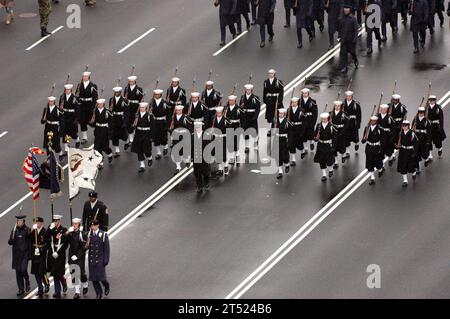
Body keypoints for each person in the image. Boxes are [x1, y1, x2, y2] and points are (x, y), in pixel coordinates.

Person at [8, 215, 31, 297]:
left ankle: (27, 281)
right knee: (18, 272)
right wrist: (12, 236)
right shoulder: (14, 230)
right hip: (17, 255)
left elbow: (31, 237)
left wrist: (32, 230)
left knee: (23, 269)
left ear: (23, 222)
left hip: (25, 254)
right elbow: (10, 242)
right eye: (18, 221)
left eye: (20, 221)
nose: (19, 222)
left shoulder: (27, 230)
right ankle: (21, 289)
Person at [86, 220, 110, 299]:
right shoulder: (90, 234)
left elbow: (106, 249)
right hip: (92, 260)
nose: (93, 227)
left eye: (94, 226)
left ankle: (106, 285)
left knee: (101, 277)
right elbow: (87, 247)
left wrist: (106, 260)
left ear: (98, 226)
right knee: (94, 279)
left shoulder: (103, 235)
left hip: (100, 259)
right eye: (92, 226)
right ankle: (98, 293)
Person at [46, 214, 68, 299]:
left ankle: (63, 281)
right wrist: (49, 229)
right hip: (52, 252)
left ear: (59, 221)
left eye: (57, 221)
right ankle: (57, 291)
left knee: (59, 272)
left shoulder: (63, 230)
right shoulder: (51, 228)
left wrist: (58, 252)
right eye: (54, 221)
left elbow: (65, 244)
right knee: (54, 272)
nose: (55, 222)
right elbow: (45, 237)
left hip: (60, 253)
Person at [66, 218, 88, 299]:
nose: (74, 225)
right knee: (74, 274)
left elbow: (85, 247)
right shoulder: (70, 233)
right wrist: (67, 232)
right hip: (71, 256)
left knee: (81, 274)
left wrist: (78, 256)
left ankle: (85, 284)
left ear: (79, 224)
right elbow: (64, 241)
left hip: (80, 257)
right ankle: (77, 291)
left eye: (76, 224)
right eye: (73, 224)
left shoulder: (82, 234)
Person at [361, 116, 386, 185]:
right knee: (369, 162)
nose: (372, 122)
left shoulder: (380, 129)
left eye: (374, 121)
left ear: (376, 121)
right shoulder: (367, 128)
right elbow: (364, 137)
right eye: (371, 120)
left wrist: (381, 149)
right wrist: (363, 140)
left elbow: (383, 140)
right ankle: (372, 178)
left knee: (378, 163)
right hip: (369, 147)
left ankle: (380, 169)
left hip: (376, 147)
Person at [89, 98, 114, 167]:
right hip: (97, 130)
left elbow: (111, 123)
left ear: (103, 104)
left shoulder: (107, 112)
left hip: (105, 131)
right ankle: (100, 161)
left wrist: (110, 134)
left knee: (105, 147)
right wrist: (91, 123)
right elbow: (93, 122)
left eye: (101, 104)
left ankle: (109, 154)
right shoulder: (95, 111)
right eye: (98, 104)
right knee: (97, 147)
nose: (99, 105)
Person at [75, 71, 98, 145]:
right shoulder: (79, 85)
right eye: (83, 76)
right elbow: (76, 96)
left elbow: (95, 97)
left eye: (86, 76)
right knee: (82, 121)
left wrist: (93, 106)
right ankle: (84, 137)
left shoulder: (92, 86)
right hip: (82, 105)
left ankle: (97, 132)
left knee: (92, 121)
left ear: (88, 77)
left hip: (89, 105)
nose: (84, 77)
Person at [314, 112, 337, 181]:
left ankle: (330, 170)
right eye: (323, 119)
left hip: (328, 145)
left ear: (328, 118)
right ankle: (324, 174)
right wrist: (315, 138)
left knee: (329, 160)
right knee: (322, 160)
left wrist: (333, 146)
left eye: (325, 118)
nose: (324, 120)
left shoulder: (332, 126)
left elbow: (335, 138)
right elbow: (315, 135)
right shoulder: (319, 126)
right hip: (321, 145)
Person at [131, 102, 155, 172]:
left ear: (146, 108)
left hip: (146, 134)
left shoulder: (149, 116)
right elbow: (134, 124)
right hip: (138, 134)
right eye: (141, 107)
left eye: (143, 107)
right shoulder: (137, 115)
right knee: (139, 150)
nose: (141, 109)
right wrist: (133, 126)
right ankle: (142, 165)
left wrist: (152, 137)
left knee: (146, 150)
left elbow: (153, 127)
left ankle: (150, 158)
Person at [30, 217, 50, 298]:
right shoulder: (34, 231)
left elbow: (47, 243)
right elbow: (29, 239)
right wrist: (31, 230)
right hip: (35, 253)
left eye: (38, 223)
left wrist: (43, 250)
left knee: (42, 271)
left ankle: (46, 283)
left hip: (42, 254)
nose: (37, 224)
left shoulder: (44, 231)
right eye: (36, 223)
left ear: (41, 223)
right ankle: (40, 289)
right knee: (35, 272)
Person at [59, 83, 81, 156]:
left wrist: (76, 118)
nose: (67, 91)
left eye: (69, 90)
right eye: (66, 90)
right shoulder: (62, 97)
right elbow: (60, 107)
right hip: (65, 116)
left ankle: (77, 139)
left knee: (73, 133)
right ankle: (66, 148)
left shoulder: (75, 98)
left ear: (71, 90)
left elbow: (77, 109)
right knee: (65, 132)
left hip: (72, 117)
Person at [124, 75, 144, 150]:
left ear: (135, 81)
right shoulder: (126, 88)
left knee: (134, 123)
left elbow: (141, 100)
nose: (131, 82)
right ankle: (130, 139)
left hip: (135, 107)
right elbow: (125, 98)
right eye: (130, 81)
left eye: (132, 81)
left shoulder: (139, 89)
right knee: (128, 124)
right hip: (128, 107)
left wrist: (140, 109)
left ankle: (134, 139)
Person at [170, 105, 192, 174]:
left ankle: (187, 160)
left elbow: (190, 127)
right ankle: (178, 167)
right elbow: (173, 126)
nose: (178, 111)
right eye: (177, 110)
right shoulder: (173, 117)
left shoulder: (186, 118)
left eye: (179, 110)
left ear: (182, 111)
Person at [396, 120, 418, 187]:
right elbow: (398, 141)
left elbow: (416, 143)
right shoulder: (400, 133)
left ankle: (413, 173)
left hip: (410, 151)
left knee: (411, 165)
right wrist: (397, 146)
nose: (404, 127)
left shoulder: (412, 133)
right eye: (403, 125)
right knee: (403, 165)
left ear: (408, 126)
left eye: (405, 125)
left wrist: (414, 152)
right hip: (403, 151)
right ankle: (405, 180)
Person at [338, 4, 359, 73]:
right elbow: (340, 29)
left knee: (352, 52)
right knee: (343, 54)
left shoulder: (353, 19)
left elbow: (356, 30)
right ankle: (345, 67)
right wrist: (339, 37)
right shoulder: (341, 18)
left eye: (347, 8)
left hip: (351, 40)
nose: (346, 10)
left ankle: (355, 60)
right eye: (345, 8)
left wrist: (355, 39)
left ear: (349, 10)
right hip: (344, 40)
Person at [109, 85, 129, 157]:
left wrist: (125, 122)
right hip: (114, 118)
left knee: (123, 134)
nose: (116, 93)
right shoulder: (111, 100)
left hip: (121, 118)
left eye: (118, 92)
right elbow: (110, 111)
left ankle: (127, 141)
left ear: (120, 92)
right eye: (115, 92)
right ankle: (117, 150)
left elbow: (127, 112)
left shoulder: (124, 100)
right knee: (114, 135)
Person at [240, 83, 261, 153]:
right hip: (245, 117)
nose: (248, 91)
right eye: (247, 90)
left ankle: (255, 143)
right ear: (245, 90)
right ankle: (247, 146)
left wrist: (255, 117)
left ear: (251, 90)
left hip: (252, 117)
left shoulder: (256, 98)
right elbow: (240, 108)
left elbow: (258, 109)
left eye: (249, 90)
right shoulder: (242, 98)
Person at [210, 106, 231, 176]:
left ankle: (226, 165)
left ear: (222, 112)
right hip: (216, 138)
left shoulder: (226, 120)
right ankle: (220, 169)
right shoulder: (213, 119)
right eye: (217, 112)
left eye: (219, 112)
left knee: (224, 153)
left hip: (223, 138)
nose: (218, 114)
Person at [224, 94, 244, 166]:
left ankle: (237, 156)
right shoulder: (226, 108)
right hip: (229, 126)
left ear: (235, 101)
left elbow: (242, 118)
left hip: (236, 126)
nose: (231, 101)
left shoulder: (239, 108)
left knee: (236, 142)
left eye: (232, 100)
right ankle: (232, 157)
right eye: (229, 100)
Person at [192, 121, 211, 193]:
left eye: (199, 127)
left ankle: (206, 183)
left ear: (201, 127)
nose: (197, 129)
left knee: (205, 171)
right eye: (196, 127)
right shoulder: (192, 136)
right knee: (197, 172)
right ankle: (199, 186)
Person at [263, 69, 284, 136]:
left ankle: (276, 129)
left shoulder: (278, 81)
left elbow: (281, 92)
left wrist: (280, 101)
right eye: (269, 73)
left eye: (272, 73)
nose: (270, 74)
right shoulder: (266, 82)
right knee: (269, 116)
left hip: (276, 100)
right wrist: (265, 100)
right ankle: (269, 130)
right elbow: (265, 91)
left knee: (277, 115)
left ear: (274, 74)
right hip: (269, 100)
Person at [287, 96, 307, 166]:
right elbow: (287, 120)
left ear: (297, 102)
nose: (294, 103)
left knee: (299, 143)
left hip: (299, 128)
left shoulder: (302, 110)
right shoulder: (288, 110)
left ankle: (302, 150)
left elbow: (304, 122)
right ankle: (293, 159)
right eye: (293, 102)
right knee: (291, 144)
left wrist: (302, 131)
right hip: (291, 129)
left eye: (295, 102)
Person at [412, 106, 432, 174]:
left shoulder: (427, 121)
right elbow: (412, 129)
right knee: (416, 154)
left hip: (424, 139)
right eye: (419, 112)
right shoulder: (415, 119)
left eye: (422, 112)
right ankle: (418, 168)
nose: (420, 114)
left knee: (424, 154)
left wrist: (428, 141)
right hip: (416, 138)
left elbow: (429, 132)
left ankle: (426, 159)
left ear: (424, 113)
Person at [151, 89, 170, 160]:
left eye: (158, 94)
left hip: (162, 121)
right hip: (155, 121)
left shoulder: (165, 103)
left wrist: (169, 124)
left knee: (163, 136)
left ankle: (165, 146)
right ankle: (158, 153)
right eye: (155, 94)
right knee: (155, 137)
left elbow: (168, 114)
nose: (156, 96)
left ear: (161, 95)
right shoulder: (152, 102)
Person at [273, 108, 291, 179]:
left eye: (282, 113)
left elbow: (290, 132)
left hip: (284, 139)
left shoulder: (287, 121)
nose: (280, 114)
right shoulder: (275, 120)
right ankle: (280, 171)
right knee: (278, 156)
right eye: (279, 113)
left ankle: (287, 164)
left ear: (284, 114)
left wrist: (289, 141)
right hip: (277, 139)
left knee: (284, 155)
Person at [330, 101, 349, 167]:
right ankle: (336, 162)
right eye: (336, 106)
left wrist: (343, 132)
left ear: (340, 107)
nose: (337, 107)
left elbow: (346, 124)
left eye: (338, 106)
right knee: (333, 147)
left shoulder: (344, 114)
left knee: (341, 145)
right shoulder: (331, 113)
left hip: (341, 131)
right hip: (334, 132)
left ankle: (343, 155)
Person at [427, 95, 446, 159]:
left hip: (436, 126)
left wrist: (441, 127)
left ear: (435, 100)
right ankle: (430, 154)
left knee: (437, 141)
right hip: (429, 126)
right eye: (430, 100)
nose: (431, 101)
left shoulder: (438, 108)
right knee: (428, 140)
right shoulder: (426, 108)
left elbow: (441, 118)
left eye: (433, 100)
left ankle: (440, 148)